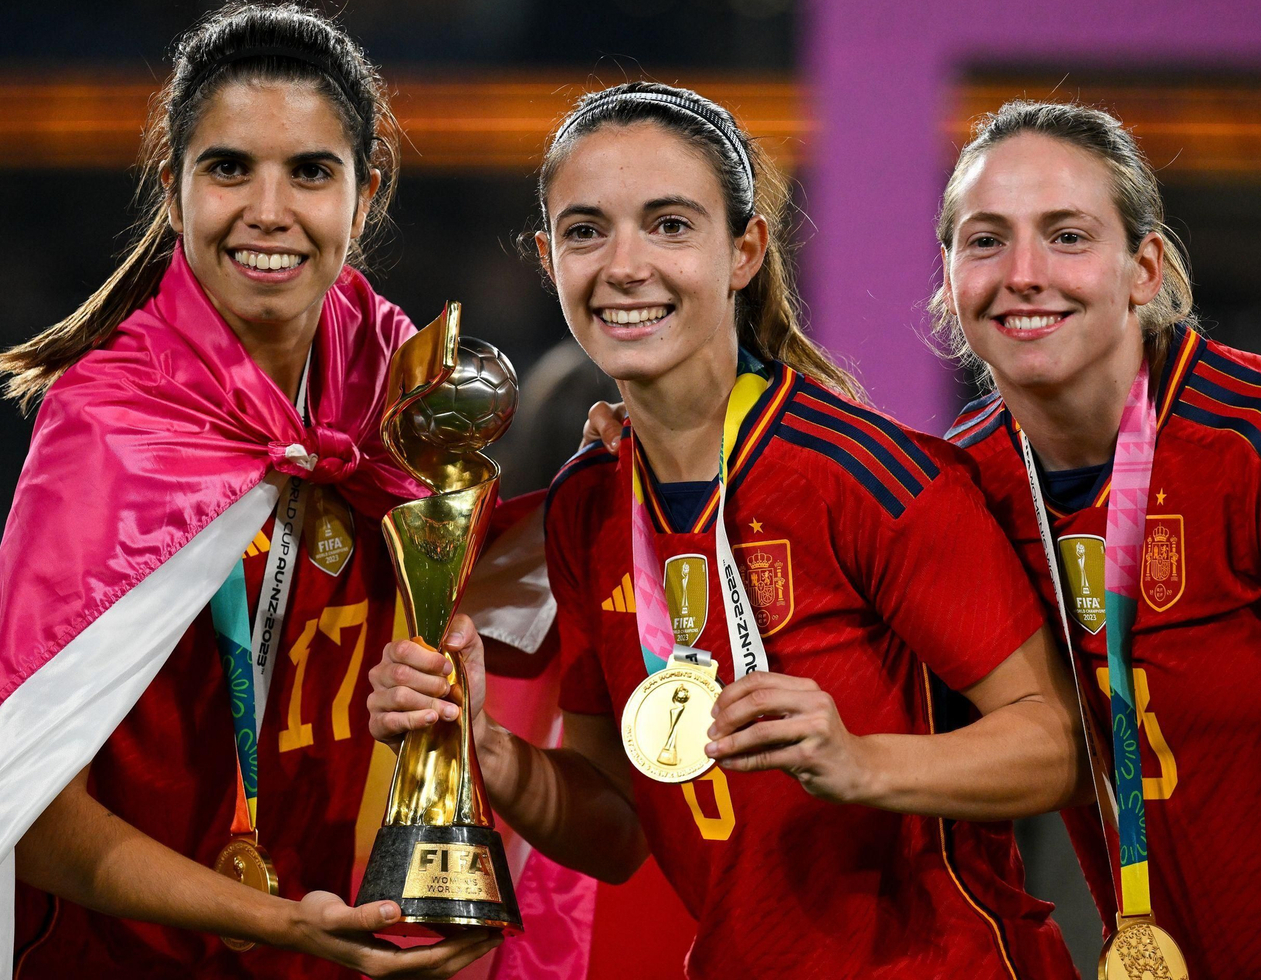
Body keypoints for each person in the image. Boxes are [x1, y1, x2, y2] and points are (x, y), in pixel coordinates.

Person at [368, 82, 1087, 979]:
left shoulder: (865, 477)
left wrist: (859, 762)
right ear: (549, 259)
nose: (625, 265)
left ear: (745, 250)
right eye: (587, 232)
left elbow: (1058, 745)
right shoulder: (589, 504)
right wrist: (487, 752)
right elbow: (619, 828)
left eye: (670, 225)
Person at [0, 2, 499, 980]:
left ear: (366, 194)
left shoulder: (400, 403)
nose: (269, 209)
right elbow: (30, 815)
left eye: (311, 172)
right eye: (229, 167)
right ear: (173, 188)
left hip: (336, 949)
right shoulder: (111, 426)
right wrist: (275, 920)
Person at [933, 100, 1261, 979]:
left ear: (1144, 268)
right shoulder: (956, 488)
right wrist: (623, 460)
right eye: (985, 240)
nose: (1023, 273)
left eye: (1067, 236)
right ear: (950, 273)